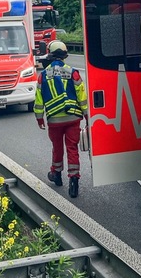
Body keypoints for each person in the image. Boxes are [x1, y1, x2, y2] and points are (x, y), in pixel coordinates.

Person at [34, 40, 89, 198]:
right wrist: (86, 116)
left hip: (54, 121)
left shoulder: (43, 75)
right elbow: (82, 97)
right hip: (73, 118)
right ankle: (74, 180)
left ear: (50, 55)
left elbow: (38, 100)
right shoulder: (73, 73)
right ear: (65, 55)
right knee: (72, 148)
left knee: (57, 147)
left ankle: (56, 174)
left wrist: (39, 118)